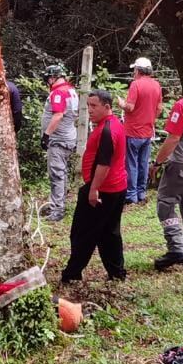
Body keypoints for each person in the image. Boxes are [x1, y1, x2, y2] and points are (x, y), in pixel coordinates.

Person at [61, 90, 129, 283]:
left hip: (104, 189)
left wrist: (93, 189)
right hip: (115, 187)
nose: (89, 110)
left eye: (94, 106)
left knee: (83, 233)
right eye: (88, 105)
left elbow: (104, 163)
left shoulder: (108, 130)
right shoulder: (112, 124)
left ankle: (72, 274)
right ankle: (117, 273)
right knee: (109, 232)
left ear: (107, 107)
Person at [152, 97, 183, 270]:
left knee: (165, 203)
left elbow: (174, 137)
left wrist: (157, 162)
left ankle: (176, 248)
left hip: (181, 163)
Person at [118, 57, 162, 204]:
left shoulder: (135, 85)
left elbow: (130, 107)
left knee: (131, 163)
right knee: (143, 163)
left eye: (134, 70)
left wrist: (121, 103)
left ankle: (131, 195)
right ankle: (141, 193)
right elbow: (159, 108)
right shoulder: (156, 85)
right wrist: (150, 119)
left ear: (138, 70)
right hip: (148, 131)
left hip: (132, 131)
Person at [40, 64, 80, 221]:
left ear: (52, 78)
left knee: (56, 173)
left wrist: (46, 135)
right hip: (68, 137)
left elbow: (58, 115)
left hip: (59, 140)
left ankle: (57, 209)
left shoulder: (59, 93)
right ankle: (57, 204)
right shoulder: (71, 90)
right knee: (61, 172)